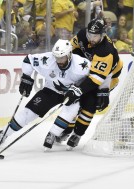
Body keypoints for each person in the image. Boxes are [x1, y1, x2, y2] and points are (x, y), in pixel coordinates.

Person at [0, 39, 91, 148]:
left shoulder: (82, 64)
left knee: (71, 110)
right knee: (29, 112)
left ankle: (53, 134)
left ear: (70, 55)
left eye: (62, 57)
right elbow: (28, 60)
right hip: (51, 90)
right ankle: (4, 133)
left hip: (72, 94)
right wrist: (26, 77)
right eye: (57, 57)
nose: (59, 61)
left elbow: (94, 77)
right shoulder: (48, 59)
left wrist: (81, 89)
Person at [44, 18, 123, 150]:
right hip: (91, 71)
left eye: (95, 36)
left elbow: (97, 79)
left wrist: (97, 90)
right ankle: (67, 130)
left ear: (103, 35)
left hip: (108, 77)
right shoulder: (82, 35)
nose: (91, 38)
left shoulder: (106, 50)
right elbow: (69, 48)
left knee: (91, 104)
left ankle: (78, 133)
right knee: (75, 102)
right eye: (90, 35)